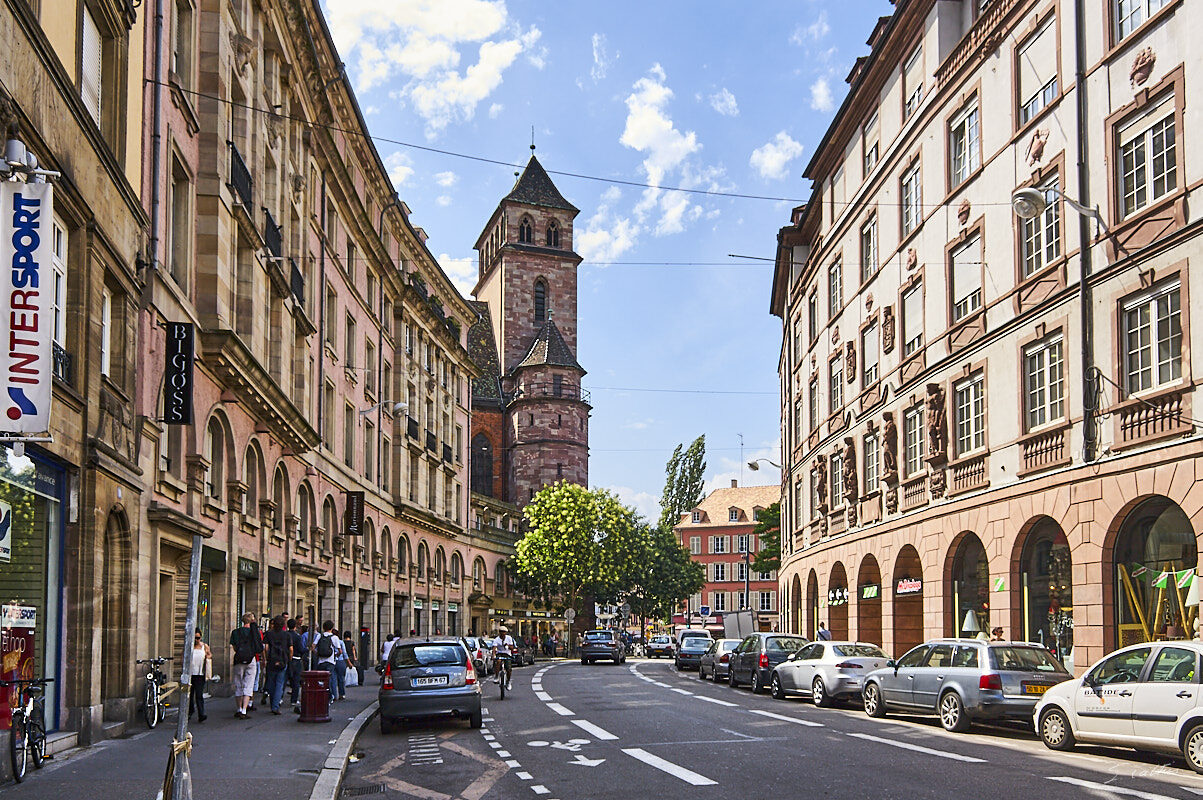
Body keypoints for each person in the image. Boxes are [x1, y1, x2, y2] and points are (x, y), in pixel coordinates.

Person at [229, 613, 262, 718]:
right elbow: (258, 646)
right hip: (251, 659)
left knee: (238, 684)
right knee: (249, 684)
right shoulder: (254, 632)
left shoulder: (235, 632)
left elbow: (234, 647)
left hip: (238, 659)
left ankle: (238, 708)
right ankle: (244, 710)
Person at [263, 616, 293, 714]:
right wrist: (289, 659)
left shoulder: (268, 634)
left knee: (271, 683)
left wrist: (266, 658)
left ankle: (272, 703)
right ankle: (275, 706)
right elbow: (291, 649)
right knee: (279, 684)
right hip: (283, 660)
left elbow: (266, 648)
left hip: (272, 660)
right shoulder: (287, 635)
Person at [313, 620, 344, 702]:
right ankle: (330, 696)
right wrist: (336, 655)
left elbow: (313, 647)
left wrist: (317, 653)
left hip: (320, 661)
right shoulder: (334, 637)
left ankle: (321, 696)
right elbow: (340, 651)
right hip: (330, 662)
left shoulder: (320, 636)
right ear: (332, 628)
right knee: (329, 680)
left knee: (321, 680)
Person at [188, 629, 212, 723]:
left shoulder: (204, 646)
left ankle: (201, 714)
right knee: (189, 695)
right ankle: (190, 711)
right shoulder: (189, 646)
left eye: (198, 638)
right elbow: (183, 657)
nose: (196, 640)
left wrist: (208, 657)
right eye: (194, 638)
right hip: (190, 674)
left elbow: (210, 655)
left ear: (200, 637)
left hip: (200, 674)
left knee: (199, 694)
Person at [287, 618, 305, 710]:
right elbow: (301, 649)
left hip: (286, 659)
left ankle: (278, 699)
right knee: (296, 681)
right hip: (296, 659)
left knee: (283, 679)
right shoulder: (298, 636)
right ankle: (293, 700)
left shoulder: (285, 635)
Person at [491, 625, 516, 690]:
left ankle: (508, 681)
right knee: (498, 661)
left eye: (504, 632)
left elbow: (512, 648)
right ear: (499, 632)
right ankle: (496, 676)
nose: (502, 633)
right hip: (499, 653)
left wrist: (507, 645)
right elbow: (494, 648)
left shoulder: (509, 638)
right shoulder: (496, 639)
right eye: (501, 632)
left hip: (507, 654)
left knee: (509, 668)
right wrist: (493, 655)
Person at [336, 630, 358, 700]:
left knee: (343, 672)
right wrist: (355, 657)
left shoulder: (342, 642)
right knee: (348, 671)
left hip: (343, 658)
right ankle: (348, 681)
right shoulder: (351, 642)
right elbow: (353, 650)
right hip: (350, 657)